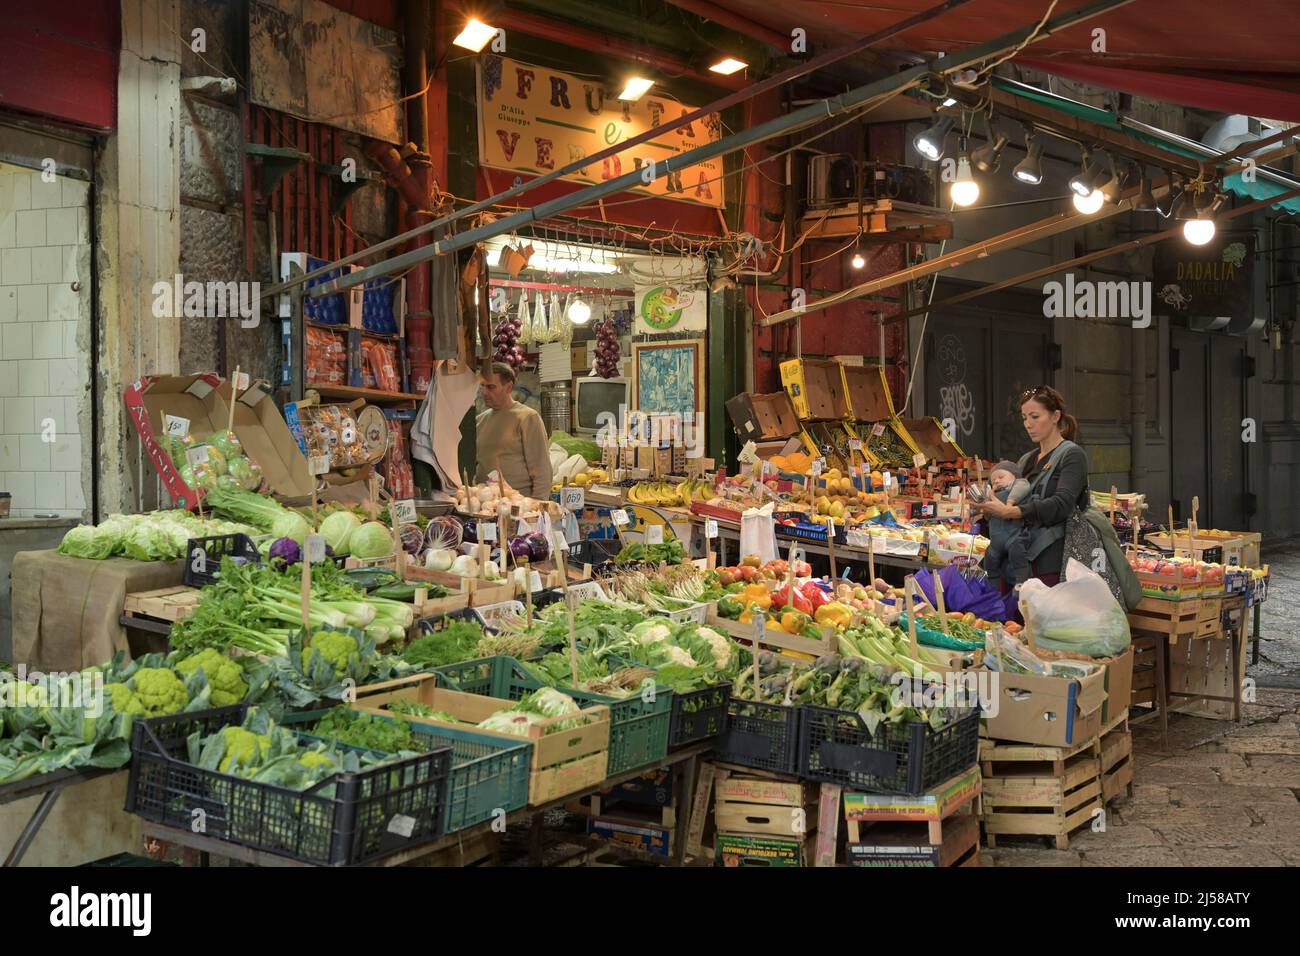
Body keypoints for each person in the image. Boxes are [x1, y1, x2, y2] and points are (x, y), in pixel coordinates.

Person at [973, 386, 1088, 586]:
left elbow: (1062, 504)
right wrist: (989, 509)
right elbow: (1011, 499)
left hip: (1049, 565)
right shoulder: (1026, 460)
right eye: (1025, 418)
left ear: (1055, 416)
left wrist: (1012, 512)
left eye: (1035, 416)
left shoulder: (1072, 455)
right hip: (1015, 562)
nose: (1028, 424)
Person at [474, 362, 553, 498]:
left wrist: (538, 506)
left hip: (519, 505)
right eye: (483, 386)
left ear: (508, 387)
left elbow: (542, 470)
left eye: (491, 387)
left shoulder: (527, 418)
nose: (484, 392)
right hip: (486, 505)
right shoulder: (480, 420)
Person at [981, 460, 1031, 590]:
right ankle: (993, 586)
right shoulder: (992, 495)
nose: (996, 481)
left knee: (1018, 554)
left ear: (1014, 476)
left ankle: (1022, 582)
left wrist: (1009, 503)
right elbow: (987, 515)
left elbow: (1023, 486)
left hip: (1013, 535)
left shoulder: (1018, 484)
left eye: (1001, 477)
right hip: (996, 540)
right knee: (989, 559)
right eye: (993, 480)